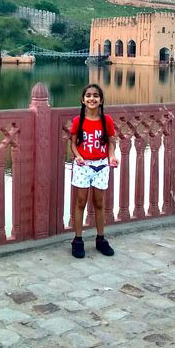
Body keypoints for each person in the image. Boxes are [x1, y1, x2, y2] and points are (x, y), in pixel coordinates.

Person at [69, 83, 118, 258]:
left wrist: (111, 157)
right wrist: (77, 156)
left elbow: (111, 142)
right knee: (80, 202)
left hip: (102, 165)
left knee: (99, 203)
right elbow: (73, 144)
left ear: (101, 100)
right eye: (88, 95)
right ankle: (78, 240)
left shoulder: (107, 121)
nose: (92, 98)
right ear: (83, 100)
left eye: (95, 95)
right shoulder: (78, 121)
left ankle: (100, 239)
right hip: (83, 165)